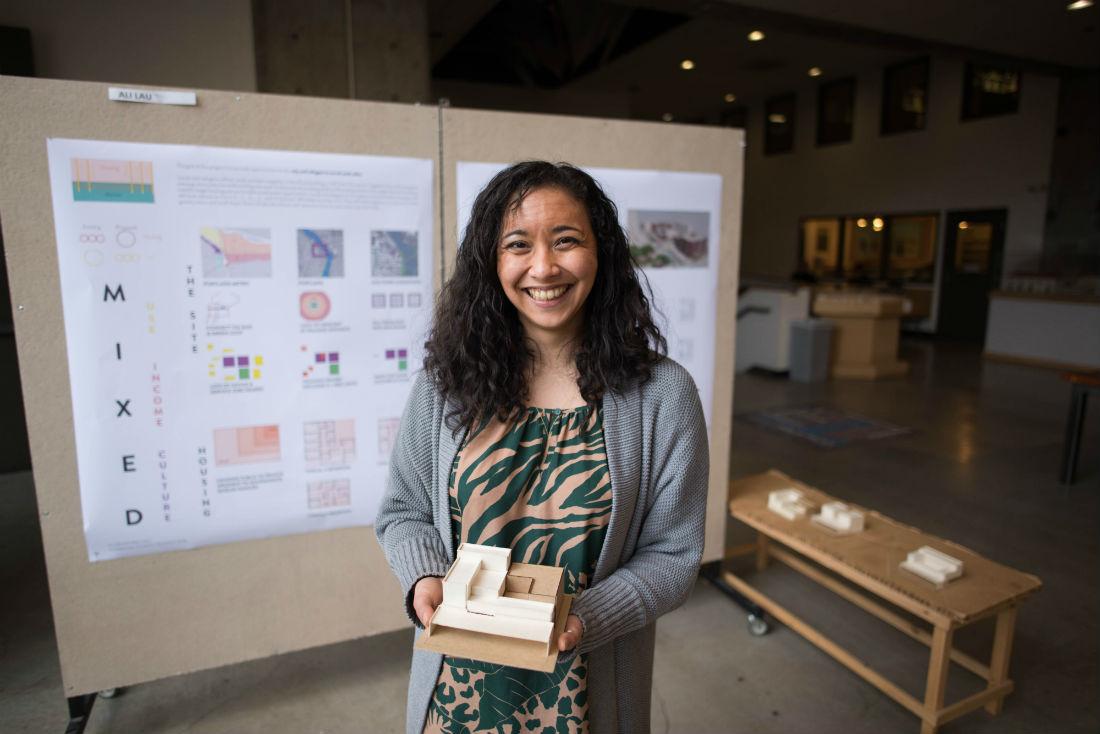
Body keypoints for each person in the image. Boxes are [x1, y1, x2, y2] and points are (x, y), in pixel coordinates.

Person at [375, 161, 708, 734]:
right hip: (457, 688)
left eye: (566, 241)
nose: (544, 267)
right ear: (492, 262)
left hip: (583, 686)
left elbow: (673, 554)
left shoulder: (663, 394)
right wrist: (425, 578)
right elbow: (403, 510)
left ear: (600, 253)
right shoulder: (447, 384)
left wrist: (585, 619)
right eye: (518, 245)